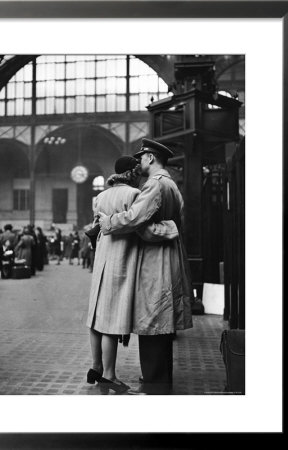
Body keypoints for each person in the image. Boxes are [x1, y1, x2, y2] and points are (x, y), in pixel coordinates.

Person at [98, 138, 193, 395]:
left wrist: (108, 221)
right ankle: (157, 377)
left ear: (150, 157)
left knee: (153, 318)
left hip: (155, 259)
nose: (138, 162)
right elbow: (178, 221)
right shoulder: (171, 184)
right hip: (170, 256)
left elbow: (134, 218)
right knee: (162, 320)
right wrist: (169, 228)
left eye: (141, 157)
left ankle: (155, 382)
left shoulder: (154, 184)